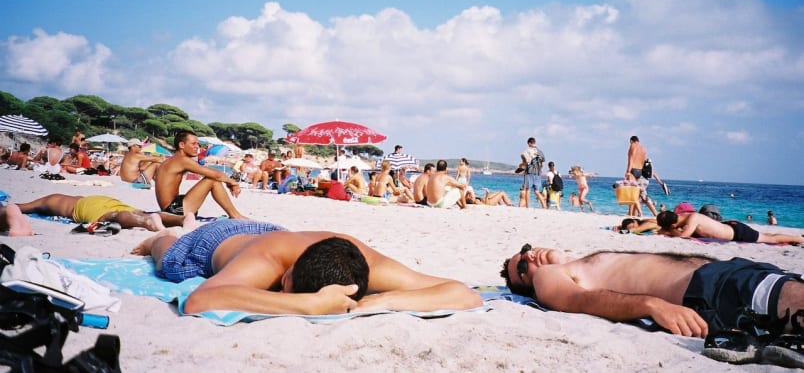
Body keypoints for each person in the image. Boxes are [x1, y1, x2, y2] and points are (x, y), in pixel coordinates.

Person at [131, 220, 483, 315]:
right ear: (286, 275)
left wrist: (384, 301)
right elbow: (199, 300)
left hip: (273, 230)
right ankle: (159, 235)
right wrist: (306, 303)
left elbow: (463, 294)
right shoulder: (269, 261)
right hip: (217, 242)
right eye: (285, 288)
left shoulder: (366, 264)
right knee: (169, 261)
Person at [501, 243, 803, 337]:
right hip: (716, 289)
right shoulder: (549, 277)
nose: (529, 257)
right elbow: (581, 300)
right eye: (523, 270)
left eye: (524, 250)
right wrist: (652, 305)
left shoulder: (578, 263)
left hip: (735, 272)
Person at [155, 131, 247, 221]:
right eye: (193, 144)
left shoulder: (173, 160)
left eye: (198, 144)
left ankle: (234, 214)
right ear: (182, 145)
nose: (197, 147)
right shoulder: (182, 160)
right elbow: (215, 175)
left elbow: (211, 171)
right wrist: (233, 182)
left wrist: (228, 182)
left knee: (213, 178)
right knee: (212, 180)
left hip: (172, 207)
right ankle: (235, 215)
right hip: (172, 211)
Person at [1, 194, 192, 236]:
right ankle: (182, 219)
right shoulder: (84, 197)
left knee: (113, 216)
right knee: (137, 212)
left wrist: (9, 206)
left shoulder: (55, 200)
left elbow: (23, 206)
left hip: (86, 206)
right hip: (109, 199)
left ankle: (148, 222)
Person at [656, 207, 803, 244]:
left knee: (769, 238)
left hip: (736, 232)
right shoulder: (685, 217)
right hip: (729, 227)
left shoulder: (692, 218)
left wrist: (669, 233)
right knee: (768, 236)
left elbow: (683, 237)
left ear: (673, 224)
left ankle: (799, 239)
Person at [516, 137, 546, 209]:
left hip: (529, 172)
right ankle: (544, 206)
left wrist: (521, 167)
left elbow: (525, 162)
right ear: (534, 142)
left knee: (527, 189)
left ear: (529, 143)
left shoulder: (527, 151)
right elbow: (542, 165)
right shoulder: (540, 152)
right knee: (537, 191)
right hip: (538, 173)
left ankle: (527, 206)